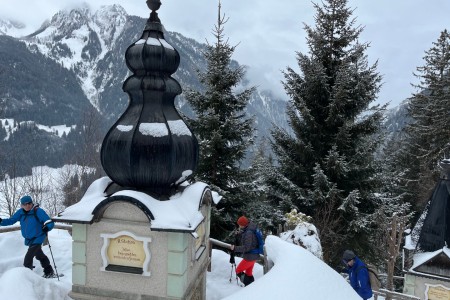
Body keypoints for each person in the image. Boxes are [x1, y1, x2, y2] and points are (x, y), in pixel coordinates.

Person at [0, 195, 55, 278]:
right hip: (29, 239)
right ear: (22, 205)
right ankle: (49, 271)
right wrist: (1, 221)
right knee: (39, 255)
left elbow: (49, 222)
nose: (27, 205)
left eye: (29, 203)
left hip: (38, 237)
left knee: (28, 259)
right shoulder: (20, 212)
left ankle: (27, 279)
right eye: (25, 204)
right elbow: (11, 220)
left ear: (32, 203)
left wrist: (47, 227)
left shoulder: (38, 211)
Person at [230, 216, 260, 286]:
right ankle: (252, 286)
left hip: (250, 256)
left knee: (238, 270)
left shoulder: (249, 232)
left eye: (239, 224)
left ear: (243, 224)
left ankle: (250, 287)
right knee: (248, 273)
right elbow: (250, 240)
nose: (239, 226)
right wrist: (240, 234)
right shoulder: (250, 228)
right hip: (254, 255)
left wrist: (235, 248)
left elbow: (247, 247)